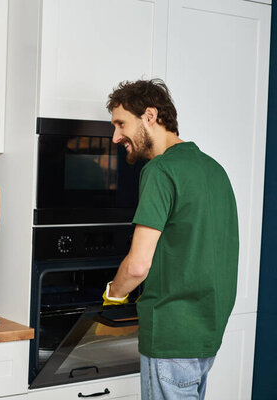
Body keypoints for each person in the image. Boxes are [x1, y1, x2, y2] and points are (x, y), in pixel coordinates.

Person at [101, 79, 238, 400]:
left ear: (150, 116)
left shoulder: (161, 170)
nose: (115, 137)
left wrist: (113, 294)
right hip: (207, 331)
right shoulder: (214, 169)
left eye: (121, 124)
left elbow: (137, 266)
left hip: (171, 333)